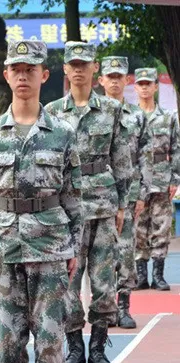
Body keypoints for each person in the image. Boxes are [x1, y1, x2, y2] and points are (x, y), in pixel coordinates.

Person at [0, 40, 82, 363]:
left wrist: (73, 245)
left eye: (30, 69)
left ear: (44, 75)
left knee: (50, 334)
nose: (22, 76)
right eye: (15, 69)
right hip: (5, 249)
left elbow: (74, 195)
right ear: (6, 76)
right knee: (8, 334)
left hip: (51, 246)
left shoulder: (63, 133)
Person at [44, 42, 131, 363]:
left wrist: (124, 203)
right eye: (73, 64)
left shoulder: (111, 109)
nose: (78, 69)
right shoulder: (51, 112)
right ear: (65, 69)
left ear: (95, 68)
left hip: (104, 205)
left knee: (104, 280)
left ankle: (98, 348)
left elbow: (121, 159)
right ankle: (74, 348)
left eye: (84, 64)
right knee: (68, 282)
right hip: (68, 210)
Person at [98, 57, 152, 328]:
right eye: (111, 76)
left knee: (126, 251)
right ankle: (105, 308)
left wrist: (142, 193)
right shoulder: (96, 115)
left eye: (120, 76)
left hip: (129, 195)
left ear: (126, 80)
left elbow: (145, 156)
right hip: (100, 196)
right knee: (103, 254)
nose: (115, 81)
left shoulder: (137, 116)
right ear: (102, 81)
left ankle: (124, 306)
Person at [134, 67, 179, 292]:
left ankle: (158, 276)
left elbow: (176, 148)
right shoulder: (131, 116)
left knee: (161, 227)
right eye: (140, 83)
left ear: (155, 86)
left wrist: (175, 177)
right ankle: (141, 275)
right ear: (136, 87)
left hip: (162, 177)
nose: (144, 87)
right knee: (139, 228)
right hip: (139, 180)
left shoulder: (168, 117)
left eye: (148, 83)